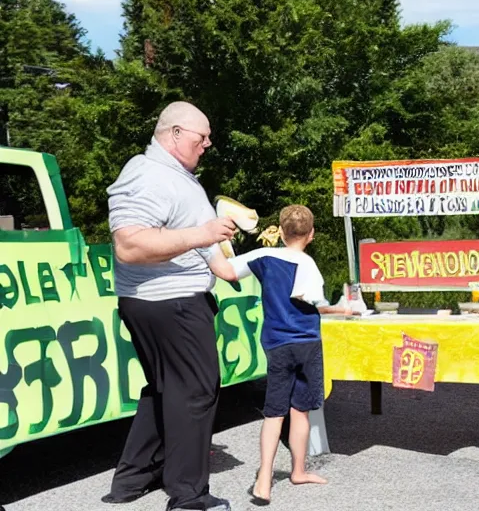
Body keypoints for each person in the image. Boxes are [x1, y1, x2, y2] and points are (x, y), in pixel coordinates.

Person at [102, 101, 236, 511]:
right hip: (169, 304)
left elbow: (216, 262)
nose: (208, 144)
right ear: (175, 134)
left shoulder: (180, 179)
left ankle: (132, 480)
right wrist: (203, 232)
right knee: (196, 393)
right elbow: (129, 245)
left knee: (165, 390)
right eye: (202, 137)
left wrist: (272, 262)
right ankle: (188, 496)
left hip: (172, 301)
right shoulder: (148, 175)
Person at [206, 204, 353, 505]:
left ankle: (264, 480)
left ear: (281, 232)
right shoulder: (309, 265)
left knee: (275, 412)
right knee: (301, 410)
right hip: (308, 342)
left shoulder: (264, 256)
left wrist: (208, 239)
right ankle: (298, 470)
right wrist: (343, 308)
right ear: (311, 234)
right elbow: (316, 304)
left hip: (276, 343)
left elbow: (225, 270)